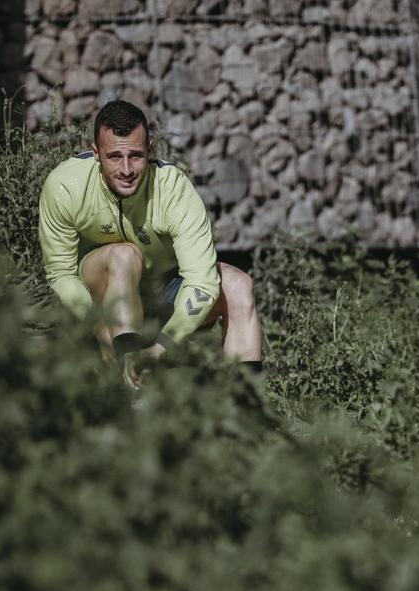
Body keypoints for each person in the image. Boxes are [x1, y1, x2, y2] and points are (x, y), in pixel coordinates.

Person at [38, 99, 262, 388]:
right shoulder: (65, 186)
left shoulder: (173, 189)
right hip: (102, 291)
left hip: (163, 288)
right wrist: (99, 326)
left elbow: (202, 283)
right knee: (123, 255)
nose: (127, 169)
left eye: (136, 155)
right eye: (115, 157)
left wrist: (162, 346)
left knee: (238, 286)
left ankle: (245, 410)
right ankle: (129, 382)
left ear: (150, 149)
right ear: (95, 153)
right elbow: (61, 274)